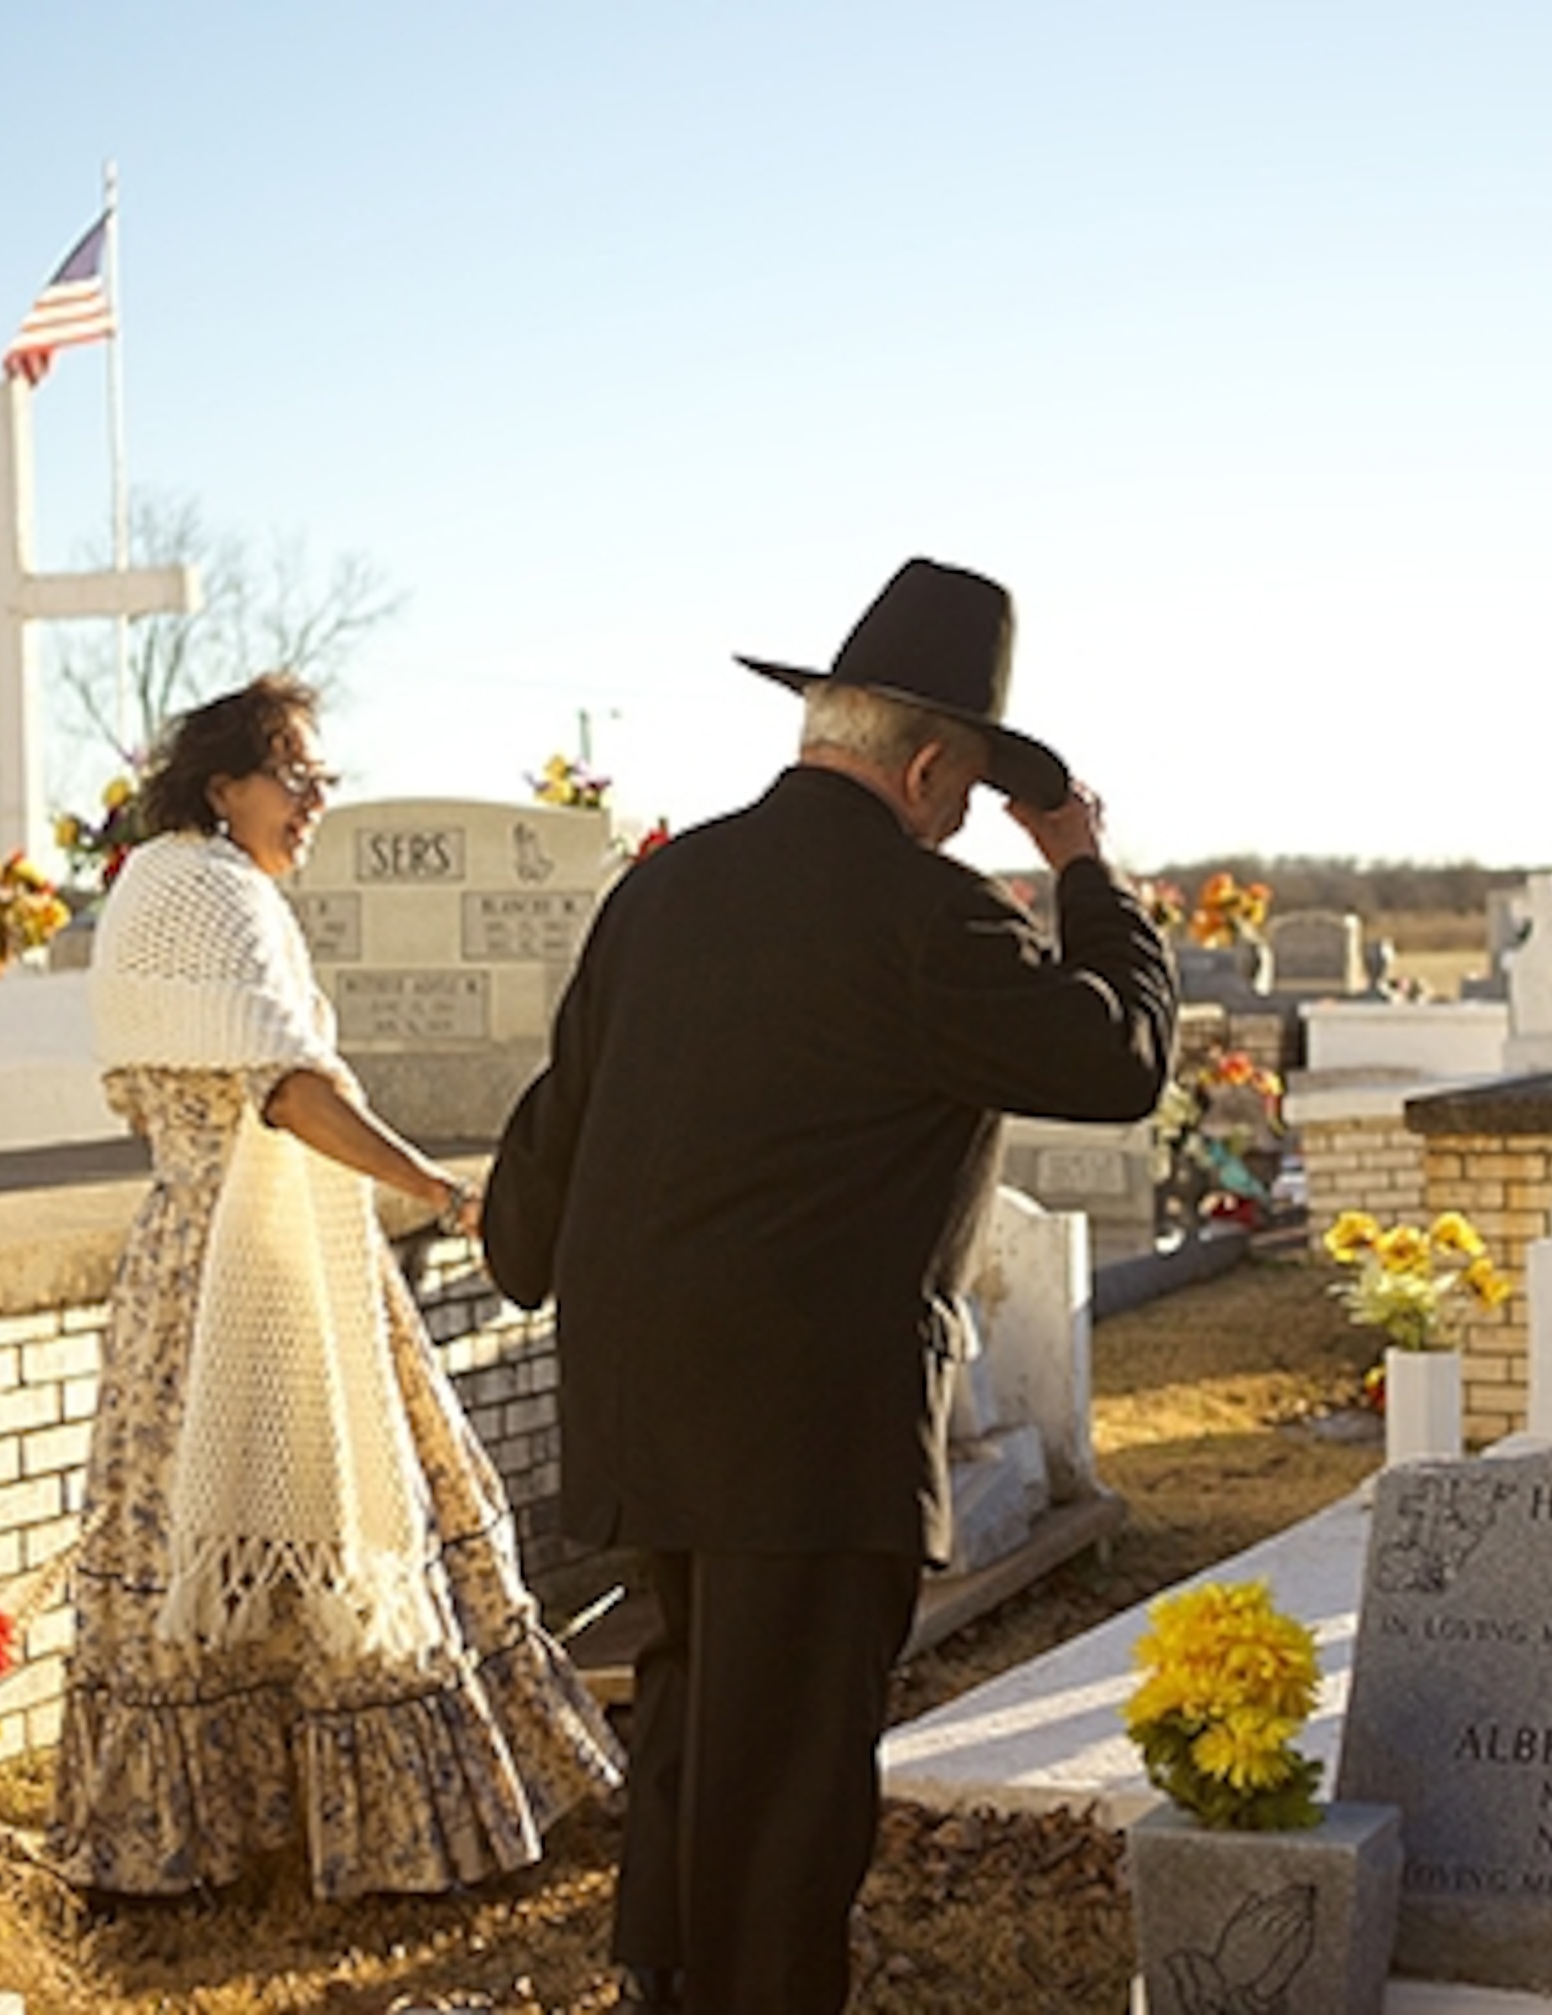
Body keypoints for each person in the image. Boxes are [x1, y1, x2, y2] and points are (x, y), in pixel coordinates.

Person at [483, 559, 1178, 2012]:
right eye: (966, 787)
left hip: (644, 1405)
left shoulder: (659, 888)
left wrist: (532, 1259)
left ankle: (662, 1992)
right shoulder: (932, 918)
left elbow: (556, 1128)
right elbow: (1120, 1055)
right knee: (788, 1787)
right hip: (803, 1428)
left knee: (686, 1735)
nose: (955, 813)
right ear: (927, 766)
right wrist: (1084, 866)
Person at [55, 671, 620, 1901]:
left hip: (212, 1264)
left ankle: (234, 1837)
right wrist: (434, 1186)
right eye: (296, 774)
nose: (315, 799)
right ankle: (345, 1837)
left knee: (237, 1540)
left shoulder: (174, 884)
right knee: (349, 1520)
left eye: (322, 775)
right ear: (225, 786)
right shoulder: (206, 890)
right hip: (240, 1273)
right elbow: (290, 1086)